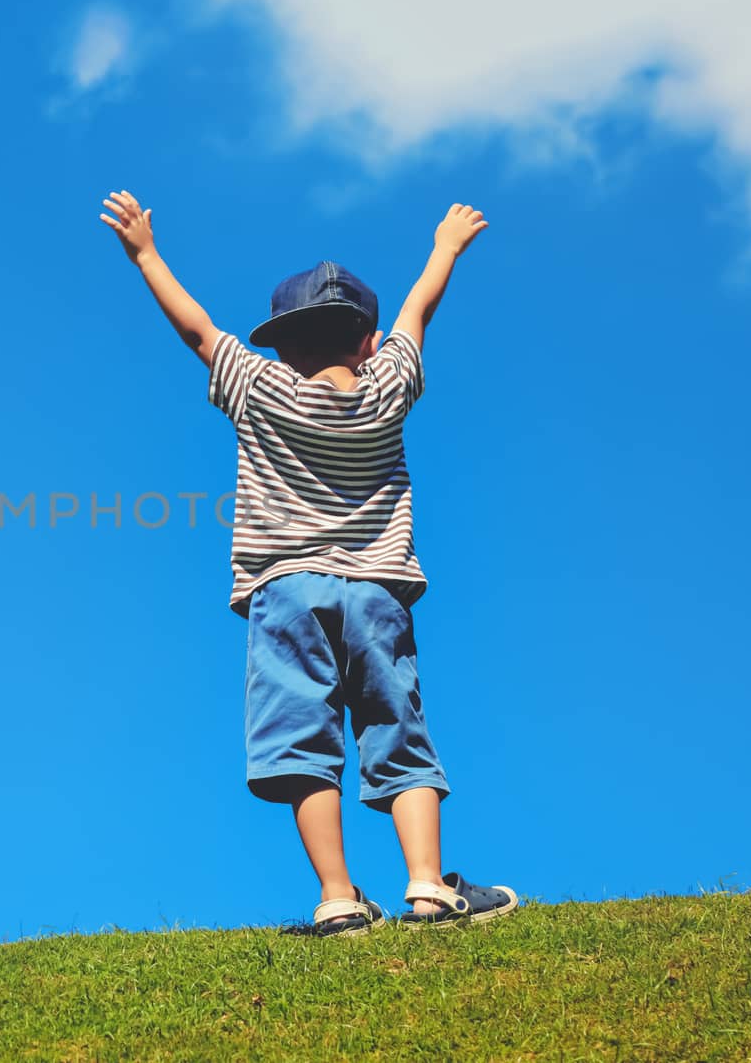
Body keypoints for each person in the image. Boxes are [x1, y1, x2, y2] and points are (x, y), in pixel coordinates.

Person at [99, 190, 519, 937]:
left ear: (280, 346)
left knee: (302, 736)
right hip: (376, 594)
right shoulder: (390, 390)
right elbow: (418, 314)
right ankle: (428, 889)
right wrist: (446, 248)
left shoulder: (256, 387)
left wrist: (145, 255)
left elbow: (198, 330)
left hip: (285, 592)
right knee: (397, 728)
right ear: (368, 342)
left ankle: (338, 899)